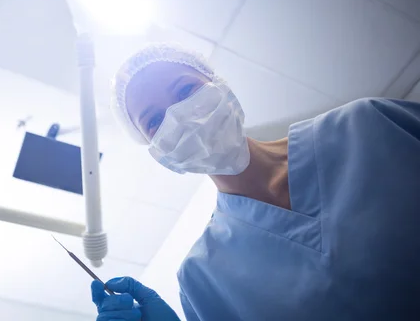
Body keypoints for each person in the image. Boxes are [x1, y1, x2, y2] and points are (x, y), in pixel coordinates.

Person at [90, 44, 420, 321]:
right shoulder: (204, 277)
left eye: (186, 90)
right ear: (157, 151)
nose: (179, 116)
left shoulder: (368, 125)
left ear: (220, 85)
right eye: (154, 120)